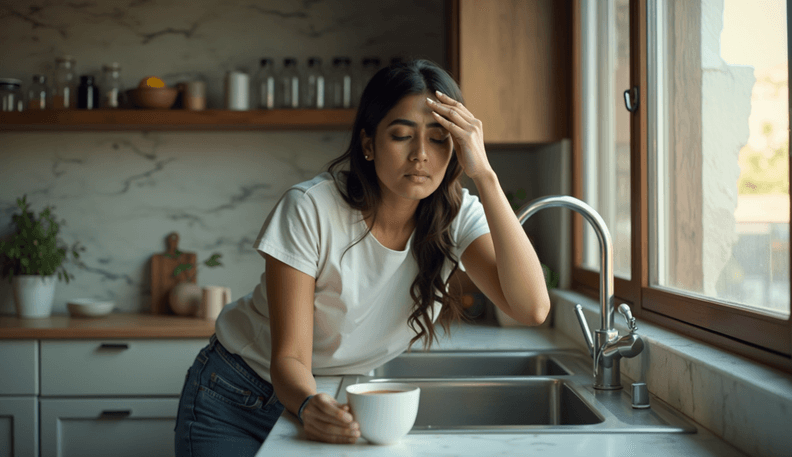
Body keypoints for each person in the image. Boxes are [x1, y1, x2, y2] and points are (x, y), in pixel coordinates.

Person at [174, 58, 551, 456]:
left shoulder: (456, 216)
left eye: (439, 138)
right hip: (238, 394)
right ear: (369, 144)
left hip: (334, 400)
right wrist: (307, 404)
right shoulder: (310, 208)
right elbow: (289, 357)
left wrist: (485, 175)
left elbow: (533, 308)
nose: (421, 154)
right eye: (402, 135)